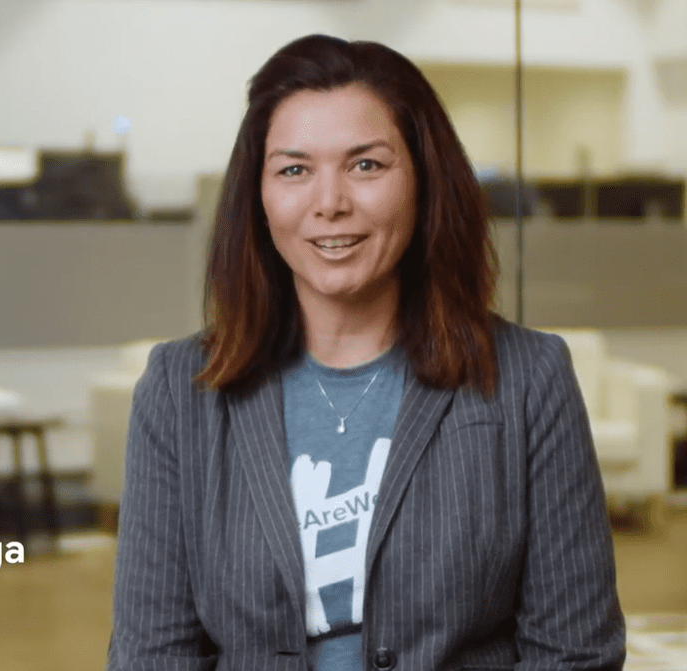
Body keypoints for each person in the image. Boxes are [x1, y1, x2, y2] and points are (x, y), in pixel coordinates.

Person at [107, 34, 625, 671]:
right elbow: (151, 654)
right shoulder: (180, 391)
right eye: (294, 170)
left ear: (424, 181)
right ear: (258, 197)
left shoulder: (528, 378)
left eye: (366, 166)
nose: (330, 203)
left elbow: (575, 653)